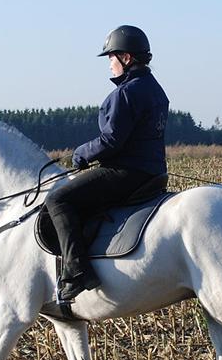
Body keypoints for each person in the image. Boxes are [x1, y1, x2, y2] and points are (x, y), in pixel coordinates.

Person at [45, 25, 169, 301]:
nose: (110, 65)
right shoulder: (155, 89)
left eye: (111, 57)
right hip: (154, 173)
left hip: (125, 173)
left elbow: (111, 140)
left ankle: (77, 271)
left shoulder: (125, 93)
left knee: (58, 200)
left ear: (126, 57)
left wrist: (81, 154)